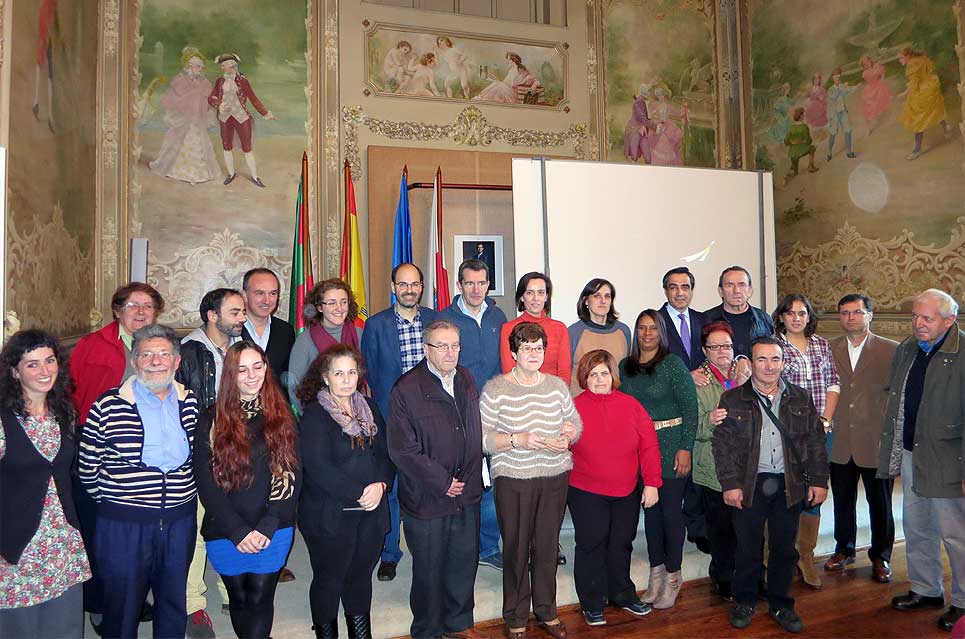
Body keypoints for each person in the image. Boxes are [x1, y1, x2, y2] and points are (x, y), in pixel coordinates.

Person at [78, 324, 199, 639]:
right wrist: (118, 504)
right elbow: (88, 466)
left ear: (176, 361)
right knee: (122, 603)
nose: (156, 361)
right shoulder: (107, 405)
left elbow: (199, 457)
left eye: (163, 354)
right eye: (147, 355)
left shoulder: (191, 403)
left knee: (173, 599)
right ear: (135, 362)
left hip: (178, 519)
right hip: (124, 523)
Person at [714, 336, 829, 634]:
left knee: (784, 549)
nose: (768, 366)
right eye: (761, 359)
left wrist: (819, 481)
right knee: (748, 548)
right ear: (750, 364)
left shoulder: (801, 398)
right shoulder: (732, 399)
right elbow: (723, 446)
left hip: (788, 484)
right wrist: (730, 484)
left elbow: (815, 442)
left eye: (775, 359)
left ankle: (781, 603)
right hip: (749, 484)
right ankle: (744, 601)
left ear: (783, 363)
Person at [69, 281, 164, 629]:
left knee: (139, 532)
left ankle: (133, 597)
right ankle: (98, 603)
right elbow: (72, 395)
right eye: (132, 305)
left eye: (147, 306)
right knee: (98, 531)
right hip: (99, 450)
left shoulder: (161, 347)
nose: (140, 312)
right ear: (117, 311)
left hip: (148, 453)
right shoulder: (92, 346)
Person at [480, 322, 582, 638]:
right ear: (513, 353)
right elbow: (482, 439)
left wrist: (569, 436)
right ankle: (515, 616)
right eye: (527, 348)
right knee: (516, 546)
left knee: (547, 547)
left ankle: (547, 611)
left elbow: (575, 423)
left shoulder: (556, 386)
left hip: (554, 475)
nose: (534, 353)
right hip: (514, 478)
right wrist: (516, 439)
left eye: (538, 347)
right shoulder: (495, 388)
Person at [387, 320, 486, 639]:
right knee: (429, 569)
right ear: (425, 349)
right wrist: (443, 482)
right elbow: (403, 449)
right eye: (442, 346)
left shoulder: (466, 378)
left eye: (455, 345)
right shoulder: (406, 388)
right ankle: (427, 629)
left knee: (463, 562)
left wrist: (468, 477)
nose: (450, 352)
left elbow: (473, 432)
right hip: (428, 497)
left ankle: (459, 623)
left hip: (466, 492)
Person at [193, 342, 300, 639]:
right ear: (231, 375)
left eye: (257, 366)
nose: (252, 375)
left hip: (273, 526)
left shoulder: (282, 415)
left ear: (266, 369)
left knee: (261, 598)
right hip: (226, 528)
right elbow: (206, 482)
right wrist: (237, 531)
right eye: (242, 369)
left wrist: (267, 525)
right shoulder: (211, 419)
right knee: (239, 599)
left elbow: (291, 475)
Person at [878, 289, 965, 632]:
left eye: (926, 318)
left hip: (949, 457)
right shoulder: (907, 349)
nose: (918, 324)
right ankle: (927, 590)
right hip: (914, 451)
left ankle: (962, 602)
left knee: (955, 534)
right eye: (914, 317)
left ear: (949, 320)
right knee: (916, 526)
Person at [296, 344, 394, 639]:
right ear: (325, 377)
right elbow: (318, 467)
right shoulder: (315, 414)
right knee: (330, 579)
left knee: (360, 577)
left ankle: (360, 635)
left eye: (352, 372)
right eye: (339, 373)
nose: (347, 379)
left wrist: (381, 485)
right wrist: (361, 492)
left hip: (371, 511)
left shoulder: (369, 407)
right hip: (330, 515)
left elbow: (387, 454)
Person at [0, 330, 90, 639]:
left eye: (49, 361)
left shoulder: (63, 412)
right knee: (20, 627)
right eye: (32, 364)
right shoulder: (4, 420)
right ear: (15, 371)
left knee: (63, 625)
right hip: (17, 543)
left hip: (61, 539)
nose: (44, 371)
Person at [569, 349, 661, 627]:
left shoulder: (631, 405)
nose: (599, 379)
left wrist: (653, 482)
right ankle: (592, 601)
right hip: (586, 490)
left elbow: (648, 445)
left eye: (604, 373)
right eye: (593, 374)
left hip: (626, 490)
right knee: (591, 545)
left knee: (621, 544)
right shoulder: (573, 407)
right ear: (585, 377)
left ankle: (621, 593)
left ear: (613, 376)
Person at [177, 287, 247, 637]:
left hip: (236, 452)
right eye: (235, 311)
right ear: (212, 315)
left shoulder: (241, 348)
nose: (243, 317)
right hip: (202, 452)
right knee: (200, 530)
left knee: (231, 522)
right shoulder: (188, 353)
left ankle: (230, 593)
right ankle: (193, 605)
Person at [360, 263, 436, 582]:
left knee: (425, 484)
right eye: (402, 284)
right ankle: (390, 553)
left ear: (422, 287)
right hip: (390, 418)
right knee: (389, 488)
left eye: (415, 284)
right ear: (393, 287)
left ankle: (428, 548)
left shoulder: (434, 320)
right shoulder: (376, 325)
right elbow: (368, 375)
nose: (409, 290)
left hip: (430, 417)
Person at [619, 309, 698, 609]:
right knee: (651, 517)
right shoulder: (625, 367)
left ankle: (673, 576)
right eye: (642, 328)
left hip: (672, 446)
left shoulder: (673, 364)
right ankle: (656, 575)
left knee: (669, 515)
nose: (647, 333)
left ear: (661, 333)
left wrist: (685, 447)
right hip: (640, 450)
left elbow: (690, 409)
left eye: (653, 328)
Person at [441, 259, 508, 571]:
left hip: (495, 410)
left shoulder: (498, 316)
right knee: (463, 478)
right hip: (460, 410)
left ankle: (488, 546)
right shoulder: (446, 319)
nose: (476, 289)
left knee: (493, 479)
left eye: (482, 283)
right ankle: (461, 544)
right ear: (459, 285)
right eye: (470, 283)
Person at [825, 294, 897, 583]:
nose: (850, 318)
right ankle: (844, 549)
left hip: (875, 440)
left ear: (870, 315)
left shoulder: (892, 350)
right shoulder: (828, 349)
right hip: (840, 439)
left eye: (857, 312)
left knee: (880, 503)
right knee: (842, 499)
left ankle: (881, 556)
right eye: (844, 313)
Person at [772, 293, 839, 590]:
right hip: (785, 434)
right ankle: (776, 557)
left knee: (815, 492)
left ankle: (806, 556)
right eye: (791, 313)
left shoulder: (821, 345)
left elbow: (833, 383)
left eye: (802, 313)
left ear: (809, 317)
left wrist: (824, 422)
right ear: (782, 317)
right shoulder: (773, 347)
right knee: (783, 493)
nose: (797, 318)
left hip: (819, 432)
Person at [691, 321, 750, 602]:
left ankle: (747, 574)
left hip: (745, 465)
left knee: (746, 525)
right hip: (712, 465)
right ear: (705, 350)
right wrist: (708, 421)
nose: (721, 351)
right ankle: (723, 577)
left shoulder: (745, 374)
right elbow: (689, 427)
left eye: (726, 345)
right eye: (714, 347)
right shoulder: (698, 381)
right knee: (721, 528)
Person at [288, 279, 364, 413]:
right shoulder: (305, 341)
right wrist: (309, 416)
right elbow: (294, 387)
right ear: (319, 307)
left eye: (344, 302)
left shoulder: (359, 334)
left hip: (357, 411)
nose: (339, 308)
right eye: (332, 303)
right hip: (320, 415)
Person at [149, 46, 222, 184]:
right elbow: (173, 98)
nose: (200, 69)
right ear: (190, 66)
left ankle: (197, 173)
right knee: (177, 142)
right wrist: (190, 97)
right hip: (183, 119)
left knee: (199, 143)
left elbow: (208, 100)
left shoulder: (204, 83)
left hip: (197, 119)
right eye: (197, 66)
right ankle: (176, 169)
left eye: (201, 67)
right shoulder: (181, 79)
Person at [208, 53, 276, 187]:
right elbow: (211, 98)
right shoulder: (219, 82)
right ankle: (231, 173)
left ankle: (255, 177)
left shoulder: (243, 81)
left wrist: (266, 113)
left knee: (247, 148)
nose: (228, 68)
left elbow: (253, 98)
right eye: (225, 66)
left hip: (242, 117)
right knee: (226, 146)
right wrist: (219, 104)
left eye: (231, 66)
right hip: (225, 118)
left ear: (234, 66)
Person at [500, 272, 571, 385]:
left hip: (553, 395)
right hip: (520, 395)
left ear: (546, 297)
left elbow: (564, 372)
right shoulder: (508, 329)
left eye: (541, 293)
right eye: (529, 293)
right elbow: (509, 371)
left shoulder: (559, 328)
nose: (536, 298)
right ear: (522, 297)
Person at [568, 277, 632, 396]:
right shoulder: (573, 333)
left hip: (614, 404)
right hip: (581, 406)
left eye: (607, 296)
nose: (603, 301)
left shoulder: (623, 331)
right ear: (586, 300)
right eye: (597, 296)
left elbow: (626, 373)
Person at [241, 268, 296, 402]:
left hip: (277, 414)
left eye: (273, 293)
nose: (267, 300)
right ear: (244, 295)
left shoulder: (285, 331)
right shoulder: (232, 329)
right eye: (260, 293)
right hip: (238, 414)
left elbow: (288, 378)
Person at [704, 266, 773, 358]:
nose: (736, 291)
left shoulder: (763, 318)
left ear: (750, 290)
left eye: (741, 285)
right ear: (721, 291)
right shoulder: (706, 319)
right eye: (729, 285)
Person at [898, 47, 954, 161]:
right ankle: (946, 127)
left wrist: (904, 93)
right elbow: (929, 71)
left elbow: (914, 82)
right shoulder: (922, 58)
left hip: (922, 92)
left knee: (918, 120)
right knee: (934, 110)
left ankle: (917, 150)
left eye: (901, 58)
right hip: (931, 87)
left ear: (907, 56)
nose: (899, 60)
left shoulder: (912, 65)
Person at [658, 267, 706, 372]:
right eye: (673, 288)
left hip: (702, 385)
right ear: (666, 291)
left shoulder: (703, 320)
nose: (680, 293)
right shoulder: (654, 321)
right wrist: (687, 377)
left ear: (691, 291)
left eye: (685, 287)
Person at [475, 53, 541, 104]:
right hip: (509, 92)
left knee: (499, 86)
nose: (507, 62)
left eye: (508, 60)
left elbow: (536, 81)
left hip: (515, 96)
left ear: (513, 61)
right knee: (498, 85)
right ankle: (483, 98)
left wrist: (534, 85)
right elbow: (503, 83)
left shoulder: (523, 71)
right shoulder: (511, 71)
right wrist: (487, 78)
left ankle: (482, 98)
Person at [826, 67, 858, 161]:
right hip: (834, 114)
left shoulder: (842, 86)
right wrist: (841, 88)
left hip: (843, 111)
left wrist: (856, 87)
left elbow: (849, 90)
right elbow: (834, 96)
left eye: (839, 77)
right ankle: (829, 152)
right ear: (833, 78)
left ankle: (849, 152)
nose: (837, 79)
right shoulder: (831, 89)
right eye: (835, 77)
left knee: (848, 130)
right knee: (833, 133)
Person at [784, 107, 819, 184]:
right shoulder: (804, 127)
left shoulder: (791, 128)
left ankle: (792, 173)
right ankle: (811, 166)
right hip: (801, 150)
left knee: (794, 169)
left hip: (792, 152)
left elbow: (786, 141)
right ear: (801, 116)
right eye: (803, 114)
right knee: (812, 148)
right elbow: (809, 141)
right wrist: (803, 142)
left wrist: (793, 142)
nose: (804, 115)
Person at [860, 55, 892, 134]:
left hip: (878, 86)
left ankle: (882, 119)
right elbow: (870, 78)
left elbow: (882, 72)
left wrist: (882, 79)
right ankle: (869, 126)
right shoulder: (865, 73)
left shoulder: (877, 66)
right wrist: (875, 71)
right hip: (871, 88)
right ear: (863, 66)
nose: (867, 64)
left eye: (867, 62)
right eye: (864, 64)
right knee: (868, 105)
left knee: (879, 102)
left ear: (870, 60)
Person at [624, 83, 654, 164]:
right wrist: (655, 126)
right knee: (634, 156)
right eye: (647, 92)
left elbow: (647, 117)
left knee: (648, 157)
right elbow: (643, 118)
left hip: (642, 130)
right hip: (635, 130)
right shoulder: (638, 102)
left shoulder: (643, 101)